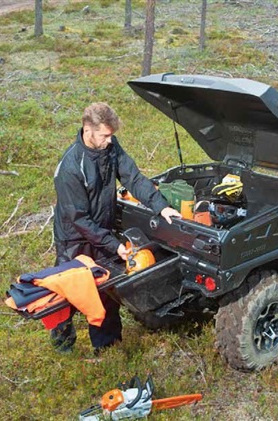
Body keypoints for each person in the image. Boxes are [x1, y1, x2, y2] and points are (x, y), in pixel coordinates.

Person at [52, 102, 182, 354]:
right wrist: (115, 245)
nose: (110, 141)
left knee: (107, 289)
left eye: (112, 135)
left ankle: (107, 344)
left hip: (102, 229)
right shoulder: (70, 168)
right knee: (67, 292)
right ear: (87, 130)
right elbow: (79, 219)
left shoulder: (111, 149)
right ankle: (63, 340)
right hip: (74, 238)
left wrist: (161, 206)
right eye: (105, 135)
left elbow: (133, 178)